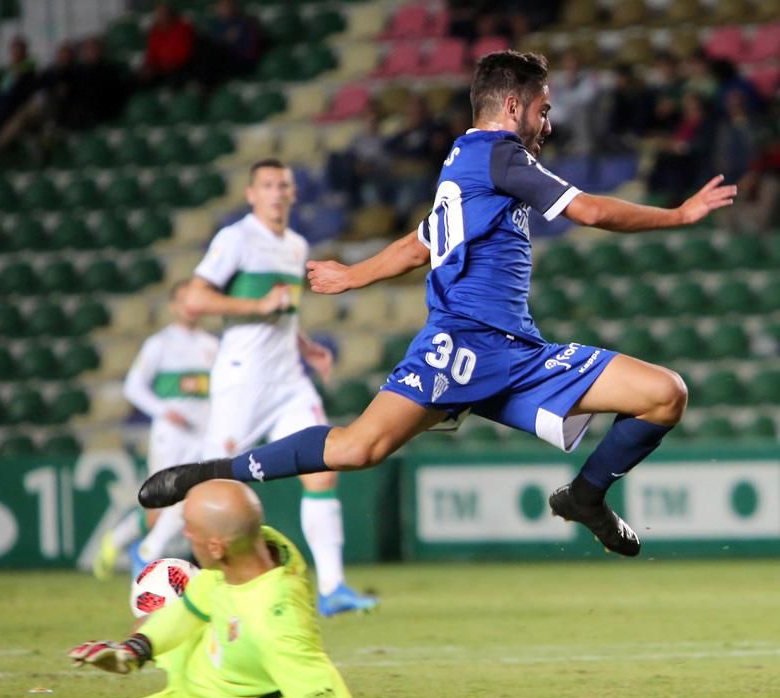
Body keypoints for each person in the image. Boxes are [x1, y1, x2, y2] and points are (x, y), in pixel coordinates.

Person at [139, 50, 737, 558]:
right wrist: (680, 214)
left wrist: (355, 276)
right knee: (356, 448)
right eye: (543, 110)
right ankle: (209, 472)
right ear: (512, 107)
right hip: (464, 344)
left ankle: (585, 497)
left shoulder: (463, 159)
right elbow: (592, 211)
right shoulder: (502, 156)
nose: (546, 125)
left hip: (517, 350)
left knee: (665, 394)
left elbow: (422, 241)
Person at [146, 158, 377, 617]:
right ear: (252, 194)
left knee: (323, 468)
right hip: (244, 378)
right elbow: (195, 298)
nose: (277, 193)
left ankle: (332, 587)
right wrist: (256, 303)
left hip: (288, 378)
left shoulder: (296, 244)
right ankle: (151, 550)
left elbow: (282, 311)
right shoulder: (236, 238)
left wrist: (306, 345)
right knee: (210, 479)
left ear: (293, 194)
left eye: (284, 186)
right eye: (268, 185)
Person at [32, 480, 360, 698]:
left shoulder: (276, 622)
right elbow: (191, 608)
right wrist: (135, 650)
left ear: (216, 547)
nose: (185, 534)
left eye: (190, 529)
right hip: (185, 693)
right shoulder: (256, 549)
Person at [93, 280, 218, 580]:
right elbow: (133, 387)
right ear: (174, 307)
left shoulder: (212, 345)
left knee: (187, 499)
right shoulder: (160, 344)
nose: (190, 306)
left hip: (203, 435)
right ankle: (127, 543)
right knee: (165, 503)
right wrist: (164, 410)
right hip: (171, 436)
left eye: (195, 299)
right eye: (183, 300)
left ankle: (142, 549)